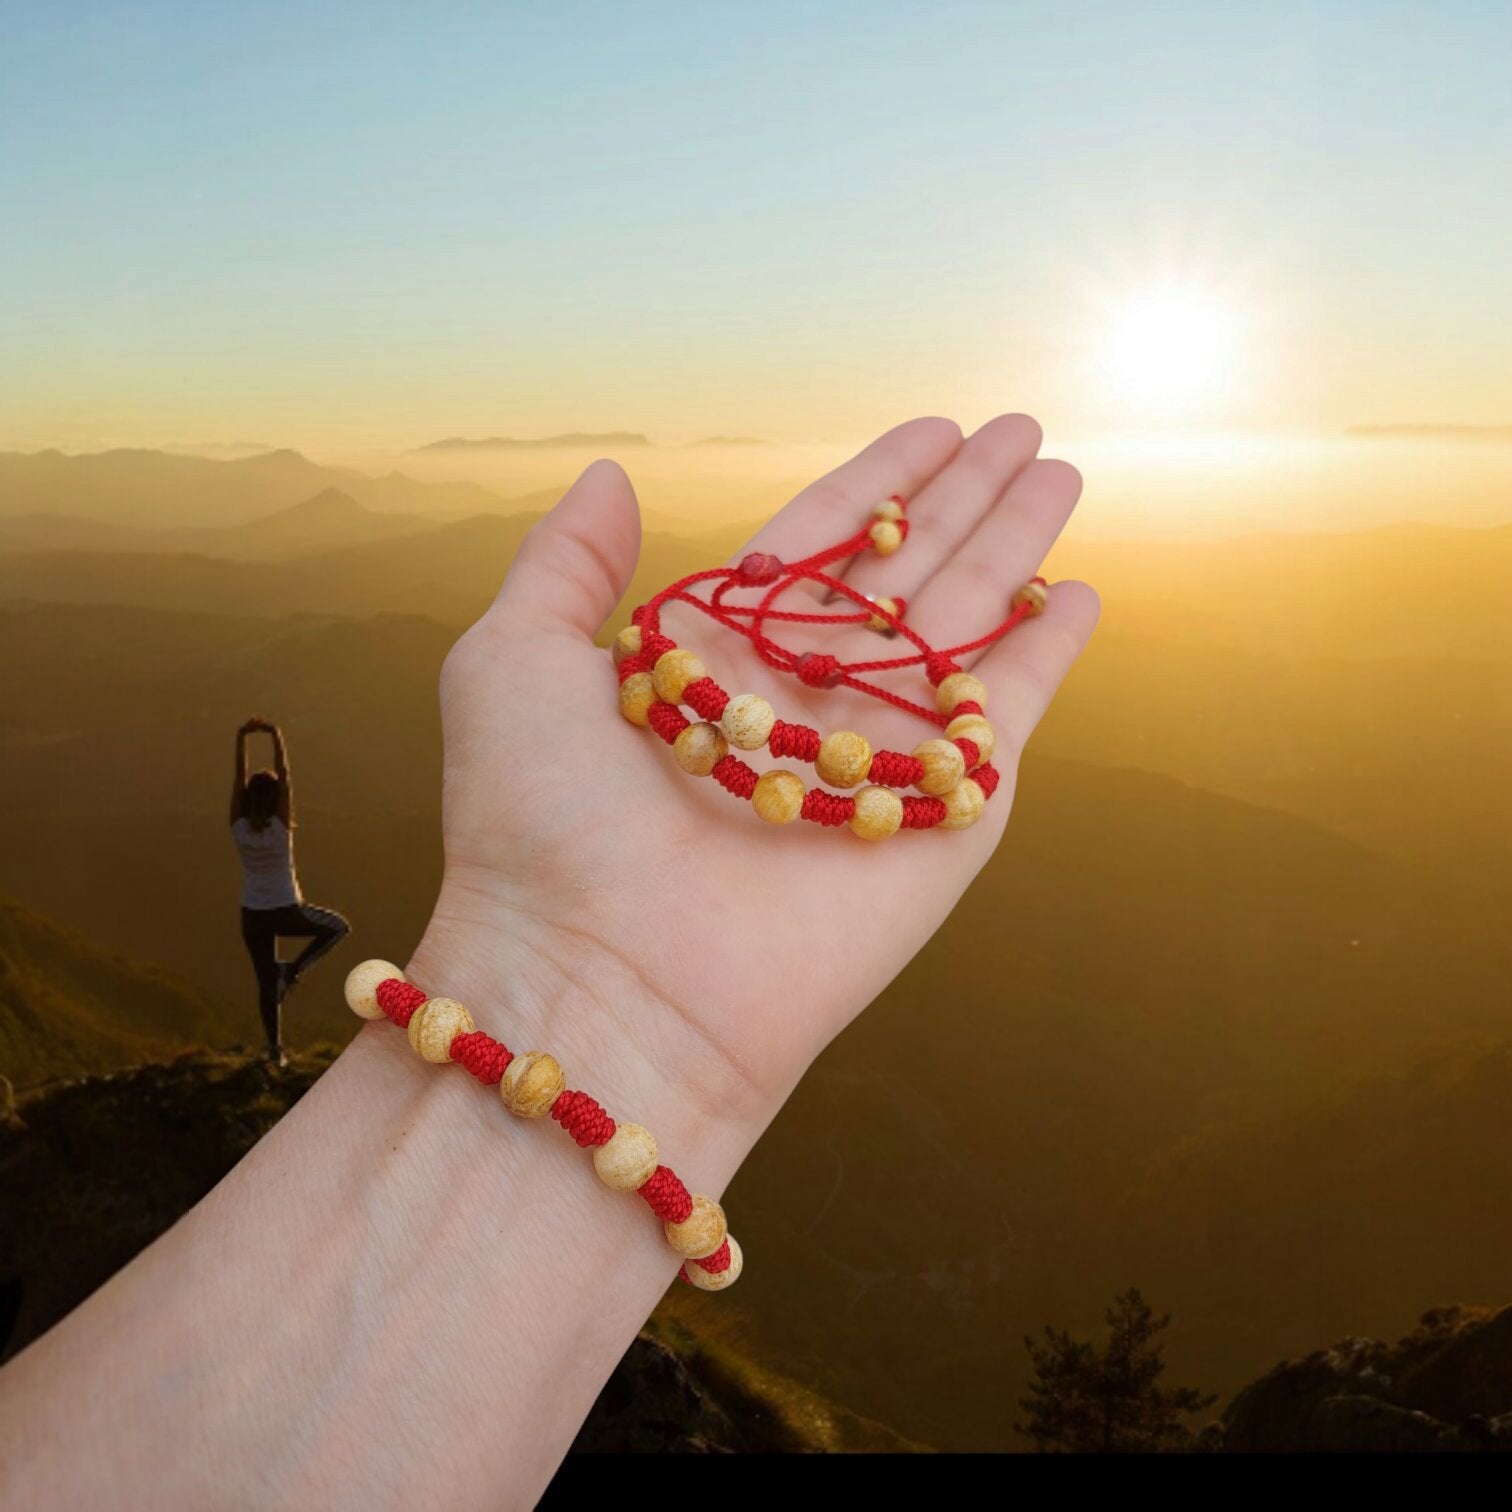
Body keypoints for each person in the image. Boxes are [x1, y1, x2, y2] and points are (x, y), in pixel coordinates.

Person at [0, 418, 1097, 1505]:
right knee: (295, 950)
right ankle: (289, 999)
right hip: (318, 934)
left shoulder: (249, 830)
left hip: (291, 928)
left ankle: (287, 1002)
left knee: (286, 958)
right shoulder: (271, 826)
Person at [230, 717, 349, 1063]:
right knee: (338, 928)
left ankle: (275, 1051)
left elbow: (239, 778)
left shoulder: (237, 826)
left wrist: (241, 738)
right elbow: (286, 777)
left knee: (265, 983)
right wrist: (275, 736)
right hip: (285, 908)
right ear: (276, 798)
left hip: (252, 915)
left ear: (248, 797)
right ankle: (293, 971)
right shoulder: (282, 826)